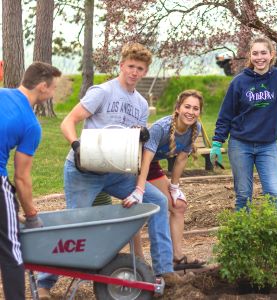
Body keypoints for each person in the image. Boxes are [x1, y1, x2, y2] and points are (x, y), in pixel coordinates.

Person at [37, 42, 181, 299]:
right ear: (121, 65)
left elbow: (132, 141)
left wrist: (141, 136)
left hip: (116, 171)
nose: (134, 72)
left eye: (140, 68)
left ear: (145, 71)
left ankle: (164, 270)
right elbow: (68, 121)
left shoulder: (139, 103)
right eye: (130, 66)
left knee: (158, 200)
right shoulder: (102, 92)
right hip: (84, 169)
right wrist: (76, 144)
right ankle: (44, 283)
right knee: (74, 225)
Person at [210, 36, 277, 211]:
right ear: (250, 56)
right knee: (243, 195)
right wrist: (216, 142)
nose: (260, 57)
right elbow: (225, 115)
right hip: (240, 144)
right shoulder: (239, 82)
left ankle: (275, 237)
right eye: (255, 53)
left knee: (274, 195)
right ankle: (243, 235)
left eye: (264, 53)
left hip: (268, 146)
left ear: (271, 54)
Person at [125, 89, 206, 270]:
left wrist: (174, 186)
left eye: (195, 108)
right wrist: (139, 190)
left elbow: (181, 158)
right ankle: (138, 260)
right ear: (177, 108)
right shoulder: (161, 128)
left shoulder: (195, 128)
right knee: (137, 210)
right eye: (187, 107)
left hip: (151, 165)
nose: (191, 112)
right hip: (135, 164)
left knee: (178, 205)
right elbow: (145, 159)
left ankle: (177, 257)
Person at [0, 62, 61, 300]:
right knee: (11, 251)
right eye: (53, 88)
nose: (54, 93)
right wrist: (32, 215)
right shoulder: (31, 124)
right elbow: (22, 178)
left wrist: (11, 213)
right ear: (43, 87)